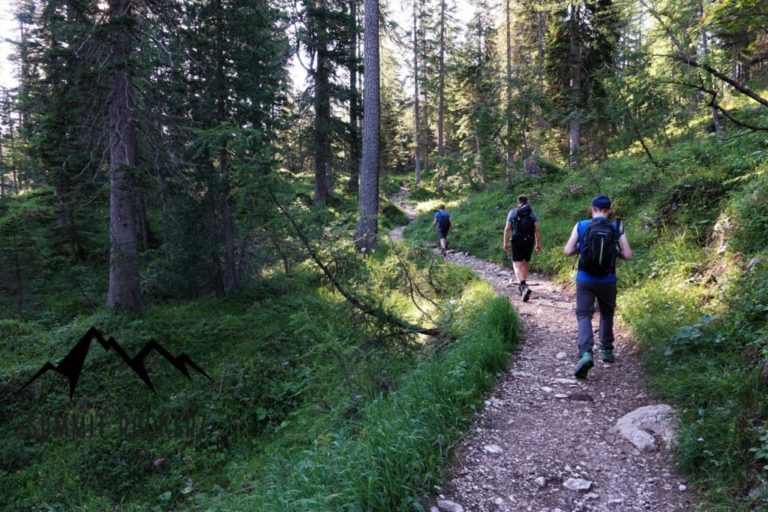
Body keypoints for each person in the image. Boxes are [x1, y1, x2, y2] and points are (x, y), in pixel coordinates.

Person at [563, 195, 632, 379]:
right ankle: (607, 351)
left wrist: (581, 248)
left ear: (592, 208)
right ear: (609, 210)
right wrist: (614, 252)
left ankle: (586, 353)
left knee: (584, 315)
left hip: (585, 278)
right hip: (607, 279)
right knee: (607, 312)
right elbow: (627, 255)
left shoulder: (582, 225)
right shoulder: (616, 227)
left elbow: (568, 250)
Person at [502, 195, 541, 302]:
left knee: (516, 264)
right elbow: (537, 229)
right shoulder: (532, 213)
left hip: (516, 240)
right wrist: (538, 244)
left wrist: (505, 243)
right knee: (524, 262)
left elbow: (507, 229)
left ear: (518, 202)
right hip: (529, 240)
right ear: (527, 201)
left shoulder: (513, 212)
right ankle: (523, 285)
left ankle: (523, 285)